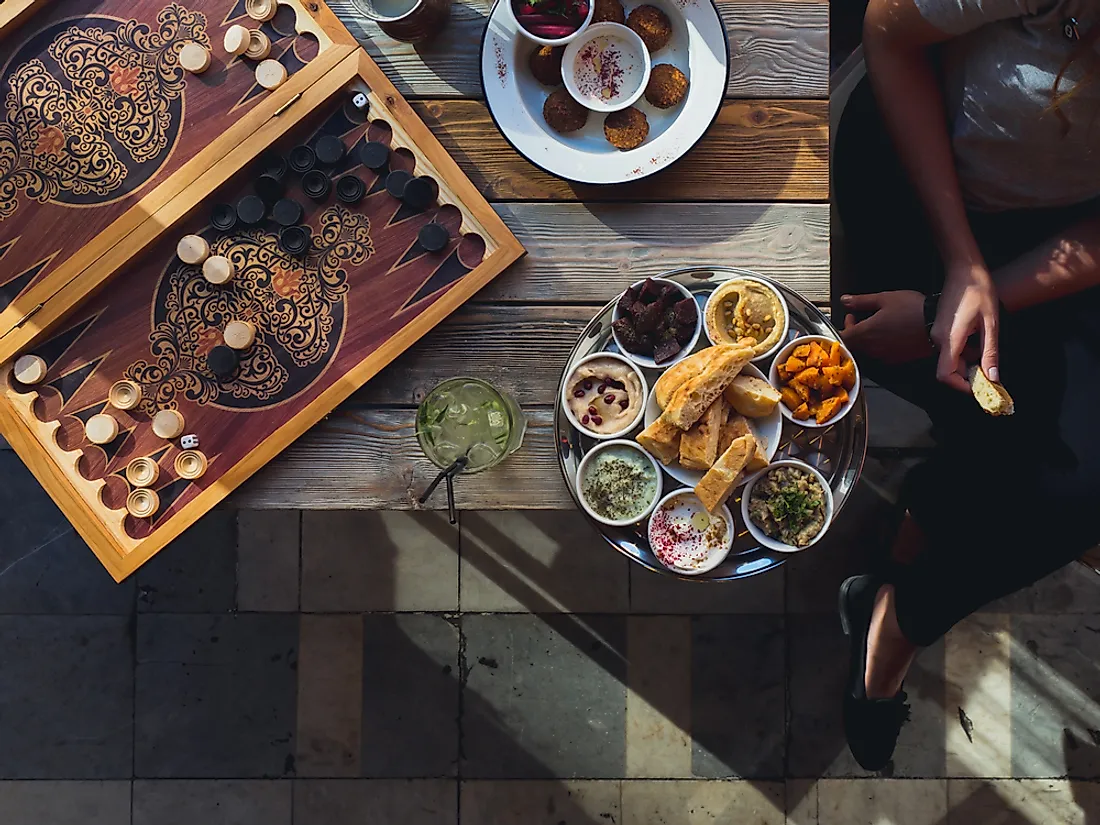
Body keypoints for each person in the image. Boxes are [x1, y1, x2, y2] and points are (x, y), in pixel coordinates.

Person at [834, 0, 1100, 770]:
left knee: (1079, 486)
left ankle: (897, 617)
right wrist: (959, 267)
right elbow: (888, 29)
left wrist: (962, 304)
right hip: (920, 175)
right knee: (977, 401)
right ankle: (934, 509)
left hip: (1062, 242)